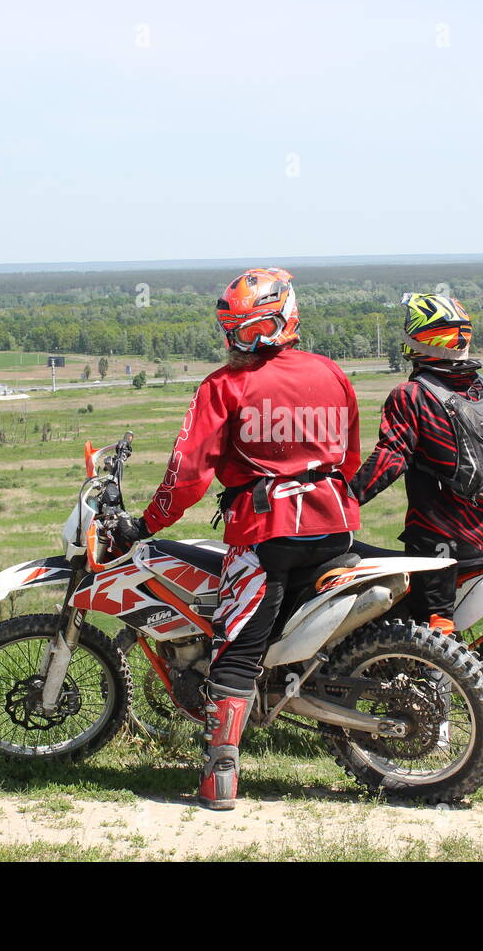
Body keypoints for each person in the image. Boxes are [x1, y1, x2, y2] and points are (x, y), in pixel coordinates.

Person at [113, 267, 361, 810]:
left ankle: (219, 776)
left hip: (266, 532)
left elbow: (187, 475)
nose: (240, 343)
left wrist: (144, 525)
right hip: (335, 525)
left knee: (238, 647)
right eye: (235, 331)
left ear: (284, 320)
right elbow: (349, 457)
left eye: (252, 330)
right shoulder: (333, 374)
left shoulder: (223, 386)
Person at [350, 292, 483, 634]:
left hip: (438, 546)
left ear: (418, 337)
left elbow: (389, 461)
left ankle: (435, 679)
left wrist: (343, 499)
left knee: (427, 636)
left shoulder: (411, 396)